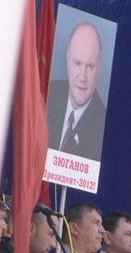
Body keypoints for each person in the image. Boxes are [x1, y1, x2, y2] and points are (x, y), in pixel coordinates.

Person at [47, 20, 107, 161]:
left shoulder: (103, 124)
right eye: (77, 63)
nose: (82, 77)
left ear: (99, 68)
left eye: (89, 66)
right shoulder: (47, 96)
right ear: (67, 61)